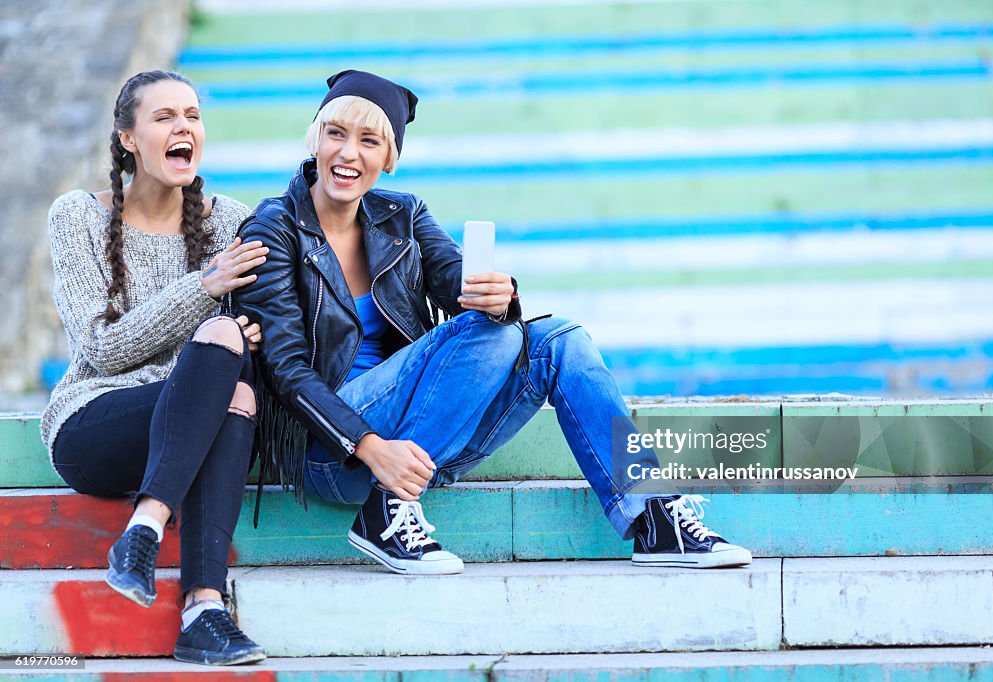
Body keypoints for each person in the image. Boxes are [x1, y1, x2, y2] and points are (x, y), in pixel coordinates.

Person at [233, 69, 752, 576]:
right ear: (315, 140)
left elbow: (460, 283)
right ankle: (387, 509)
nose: (348, 153)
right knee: (493, 334)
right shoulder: (275, 227)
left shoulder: (403, 215)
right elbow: (286, 372)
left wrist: (500, 296)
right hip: (336, 454)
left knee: (558, 339)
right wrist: (372, 449)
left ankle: (653, 514)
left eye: (370, 140)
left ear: (389, 160)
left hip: (418, 443)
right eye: (335, 134)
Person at [41, 70, 268, 665]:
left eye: (192, 115)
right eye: (164, 117)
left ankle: (200, 608)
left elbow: (263, 333)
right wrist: (206, 289)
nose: (183, 127)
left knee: (237, 385)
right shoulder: (78, 217)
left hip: (199, 426)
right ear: (128, 139)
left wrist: (254, 335)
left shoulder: (229, 221)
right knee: (220, 337)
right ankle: (151, 532)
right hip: (96, 423)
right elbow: (103, 348)